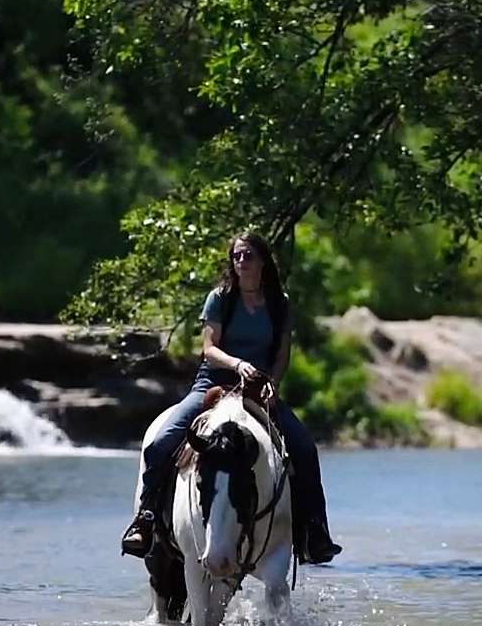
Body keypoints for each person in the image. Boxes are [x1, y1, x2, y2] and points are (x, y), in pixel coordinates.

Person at [122, 232, 342, 564]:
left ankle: (314, 531)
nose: (241, 262)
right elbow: (208, 349)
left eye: (248, 255)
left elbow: (282, 353)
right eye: (237, 256)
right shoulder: (220, 298)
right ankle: (146, 519)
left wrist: (274, 382)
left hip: (258, 390)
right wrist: (237, 364)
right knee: (161, 442)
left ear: (263, 260)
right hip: (214, 383)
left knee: (304, 448)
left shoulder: (279, 303)